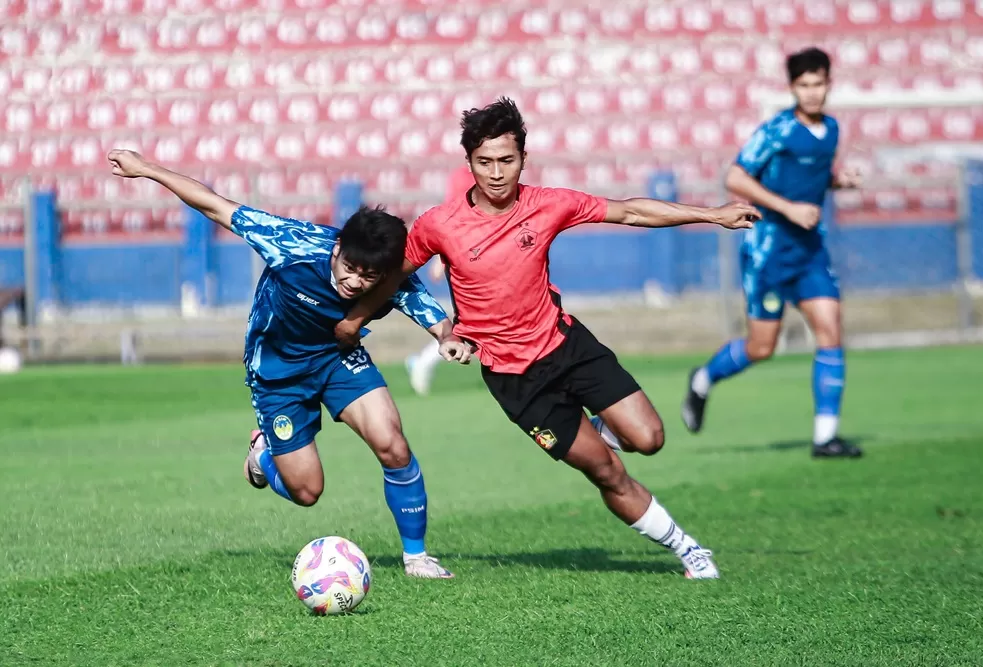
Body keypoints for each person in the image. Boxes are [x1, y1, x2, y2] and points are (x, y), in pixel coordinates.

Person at [332, 98, 760, 579]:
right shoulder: (440, 224)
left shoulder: (548, 204)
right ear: (469, 161)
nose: (496, 173)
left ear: (523, 159)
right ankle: (689, 551)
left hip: (568, 347)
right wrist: (355, 320)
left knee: (649, 438)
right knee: (605, 471)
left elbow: (632, 212)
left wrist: (712, 214)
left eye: (507, 161)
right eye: (484, 162)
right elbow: (391, 277)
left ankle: (597, 431)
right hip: (516, 382)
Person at [107, 149, 471, 579]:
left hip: (339, 360)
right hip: (277, 374)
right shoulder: (292, 243)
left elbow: (435, 317)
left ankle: (417, 558)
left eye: (368, 277)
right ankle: (261, 457)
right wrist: (146, 169)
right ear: (337, 248)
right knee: (307, 491)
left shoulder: (390, 277)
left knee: (392, 443)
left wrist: (448, 340)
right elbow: (212, 203)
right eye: (349, 268)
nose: (355, 282)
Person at [680, 47, 864, 459]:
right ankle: (704, 379)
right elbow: (735, 177)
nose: (813, 92)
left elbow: (809, 178)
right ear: (792, 88)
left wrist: (838, 182)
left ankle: (825, 437)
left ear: (829, 84)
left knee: (831, 331)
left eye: (819, 84)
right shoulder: (778, 130)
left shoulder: (831, 130)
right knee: (762, 347)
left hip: (810, 252)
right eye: (804, 85)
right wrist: (787, 209)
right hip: (768, 254)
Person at [405, 166, 477, 396]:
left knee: (480, 324)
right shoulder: (464, 178)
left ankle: (423, 362)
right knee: (475, 323)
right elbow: (452, 217)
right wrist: (440, 259)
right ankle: (423, 361)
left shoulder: (494, 175)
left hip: (482, 255)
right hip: (467, 257)